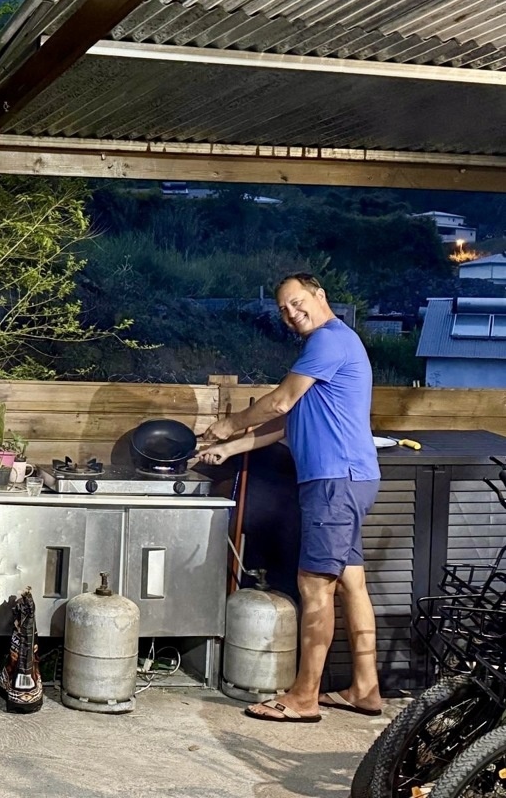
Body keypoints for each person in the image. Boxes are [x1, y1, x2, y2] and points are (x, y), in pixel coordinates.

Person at [199, 272, 382, 723]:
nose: (291, 313)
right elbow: (287, 422)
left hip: (332, 482)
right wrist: (231, 447)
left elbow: (280, 402)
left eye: (297, 302)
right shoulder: (331, 345)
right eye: (282, 309)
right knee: (351, 582)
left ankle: (303, 698)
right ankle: (365, 688)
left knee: (314, 586)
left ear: (320, 295)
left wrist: (230, 424)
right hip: (349, 479)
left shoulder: (328, 341)